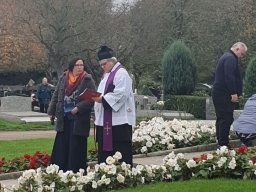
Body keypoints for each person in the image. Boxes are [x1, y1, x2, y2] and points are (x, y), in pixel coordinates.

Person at [47, 56, 96, 172]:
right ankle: (59, 170)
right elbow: (56, 94)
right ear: (72, 66)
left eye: (82, 65)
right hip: (64, 117)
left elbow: (93, 97)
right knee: (62, 144)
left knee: (75, 145)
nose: (80, 67)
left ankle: (75, 170)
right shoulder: (64, 77)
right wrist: (51, 111)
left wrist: (79, 107)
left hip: (78, 118)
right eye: (77, 65)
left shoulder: (87, 79)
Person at [92, 45, 136, 165]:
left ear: (112, 61)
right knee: (105, 152)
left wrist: (102, 99)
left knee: (120, 150)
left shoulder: (121, 73)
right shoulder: (106, 75)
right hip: (104, 121)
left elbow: (121, 94)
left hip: (118, 123)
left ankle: (123, 173)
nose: (102, 67)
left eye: (104, 64)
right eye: (100, 65)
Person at [212, 42, 247, 148]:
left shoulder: (226, 56)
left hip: (219, 93)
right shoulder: (230, 58)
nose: (241, 56)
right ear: (237, 49)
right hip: (224, 94)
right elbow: (229, 76)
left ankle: (220, 142)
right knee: (226, 119)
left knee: (221, 118)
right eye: (242, 54)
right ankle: (223, 144)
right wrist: (233, 93)